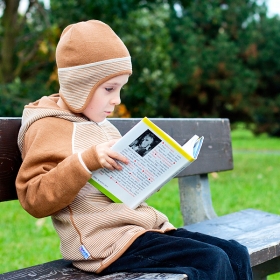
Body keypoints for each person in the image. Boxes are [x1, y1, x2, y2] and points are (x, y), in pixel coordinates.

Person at [15, 20, 252, 279]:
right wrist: (85, 161)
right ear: (80, 85)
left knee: (236, 253)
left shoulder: (102, 125)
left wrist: (149, 176)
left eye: (120, 88)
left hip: (141, 230)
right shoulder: (48, 125)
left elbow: (116, 187)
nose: (117, 100)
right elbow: (34, 197)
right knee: (211, 261)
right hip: (104, 244)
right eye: (109, 89)